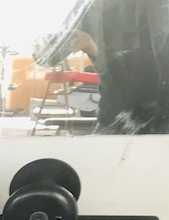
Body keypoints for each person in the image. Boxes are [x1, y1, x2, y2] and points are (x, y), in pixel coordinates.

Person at [69, 0, 169, 133]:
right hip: (114, 116)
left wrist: (96, 54)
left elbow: (133, 81)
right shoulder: (87, 9)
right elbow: (58, 46)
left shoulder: (147, 11)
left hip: (153, 121)